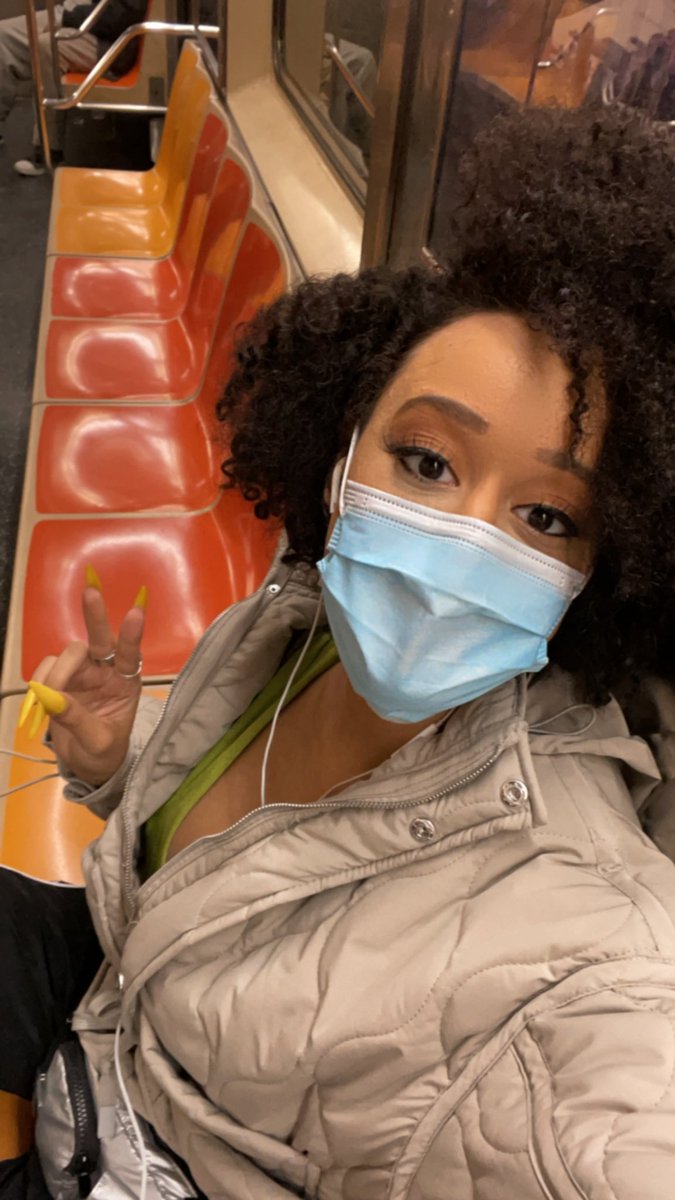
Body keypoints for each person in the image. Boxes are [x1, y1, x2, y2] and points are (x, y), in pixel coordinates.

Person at [4, 102, 675, 1198]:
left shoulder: (585, 939)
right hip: (120, 1000)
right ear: (343, 443)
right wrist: (119, 765)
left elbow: (609, 1104)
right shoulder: (299, 621)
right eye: (426, 461)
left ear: (607, 568)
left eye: (547, 517)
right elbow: (245, 868)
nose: (455, 546)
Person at [0, 0, 146, 177]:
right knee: (3, 36)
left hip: (111, 37)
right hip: (87, 12)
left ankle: (49, 148)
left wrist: (69, 18)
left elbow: (121, 16)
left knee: (48, 46)